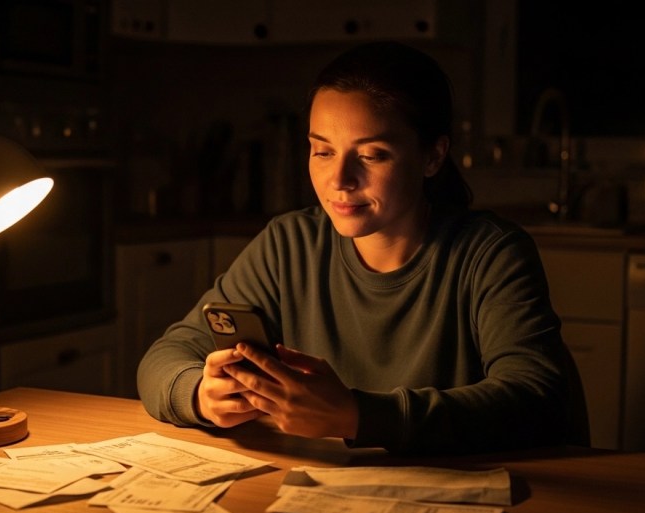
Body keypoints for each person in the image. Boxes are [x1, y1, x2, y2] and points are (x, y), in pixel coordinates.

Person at [137, 41, 589, 455]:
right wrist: (201, 394)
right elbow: (163, 358)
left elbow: (535, 399)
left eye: (370, 155)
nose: (339, 180)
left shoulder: (490, 253)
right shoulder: (288, 244)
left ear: (432, 156)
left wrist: (356, 416)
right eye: (322, 151)